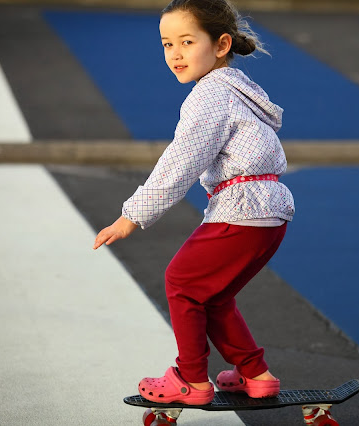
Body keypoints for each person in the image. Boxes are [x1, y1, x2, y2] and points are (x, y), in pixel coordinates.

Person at [93, 0, 294, 406]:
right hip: (270, 214)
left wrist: (132, 215)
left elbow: (181, 162)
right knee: (213, 296)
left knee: (181, 283)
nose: (175, 54)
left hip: (242, 211)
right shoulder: (237, 88)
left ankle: (191, 379)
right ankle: (255, 373)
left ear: (221, 45)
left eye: (187, 42)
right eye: (167, 44)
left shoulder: (210, 96)